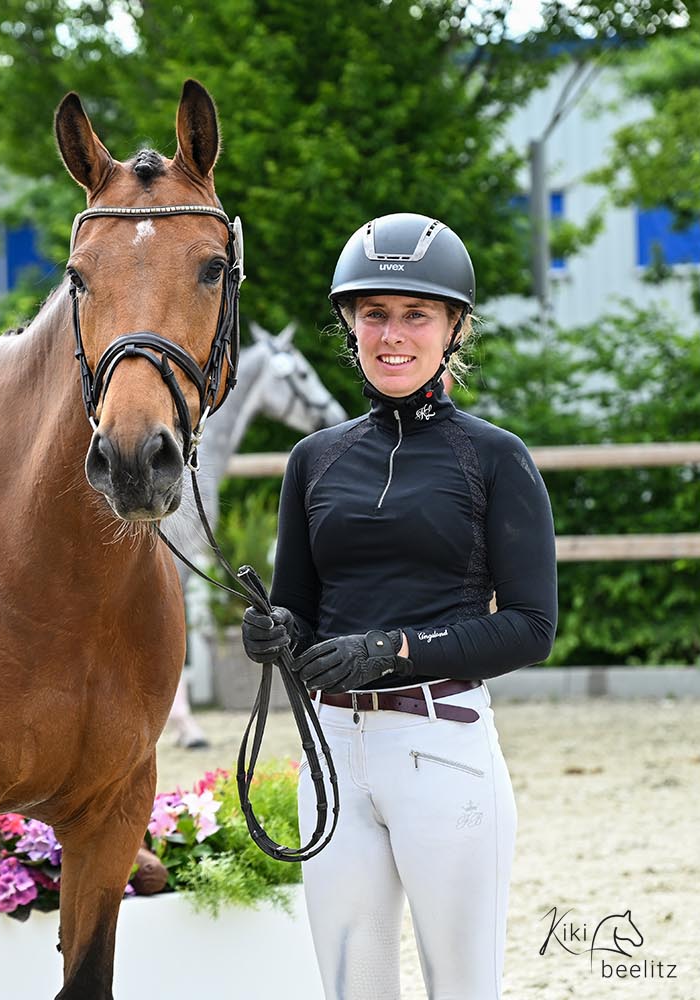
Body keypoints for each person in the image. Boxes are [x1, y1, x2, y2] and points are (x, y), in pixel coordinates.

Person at [241, 213, 557, 999]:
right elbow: (301, 611)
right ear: (349, 323)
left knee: (462, 987)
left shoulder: (494, 457)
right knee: (354, 987)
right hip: (331, 755)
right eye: (374, 313)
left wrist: (398, 651)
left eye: (416, 314)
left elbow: (530, 627)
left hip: (442, 749)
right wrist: (276, 632)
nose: (392, 335)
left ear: (454, 328)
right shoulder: (313, 460)